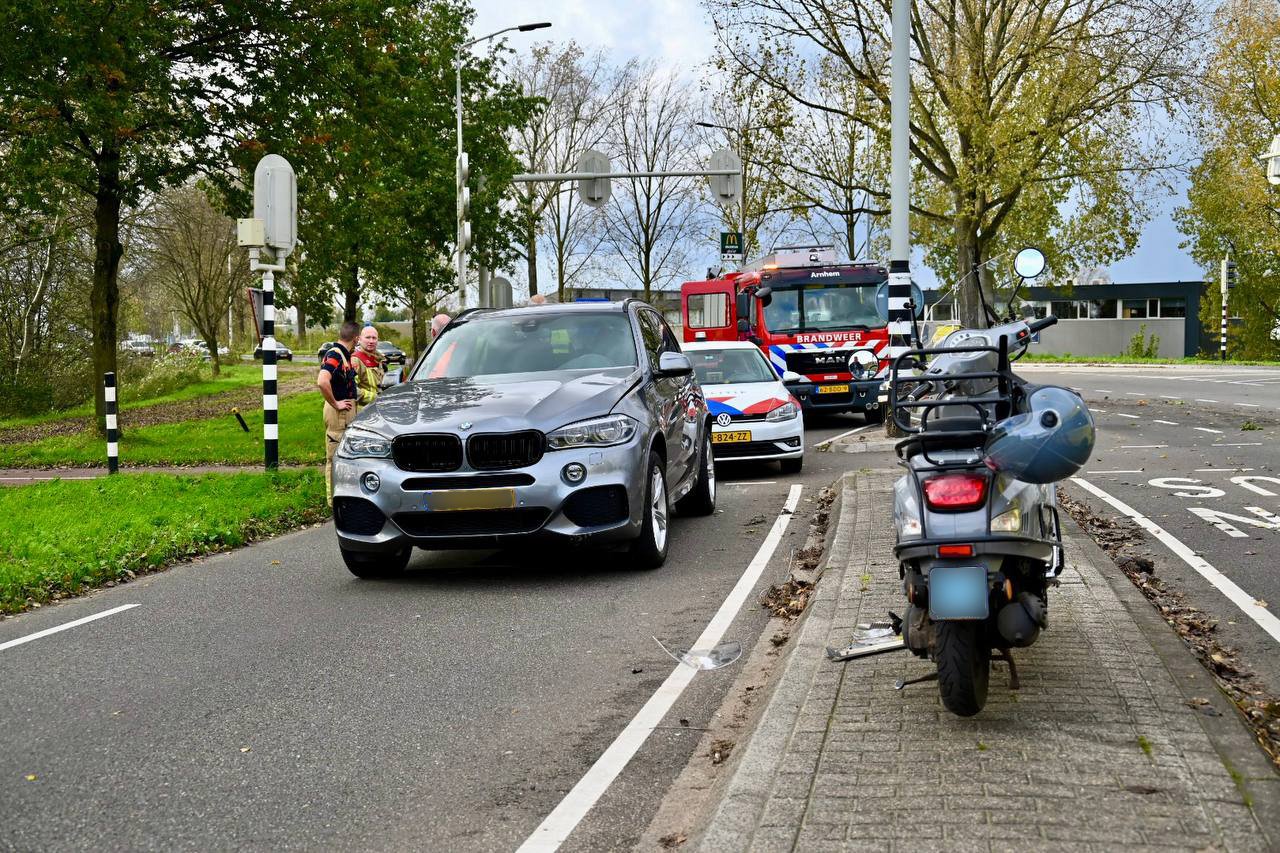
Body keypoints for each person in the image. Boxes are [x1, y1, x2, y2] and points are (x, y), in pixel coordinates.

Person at [317, 321, 360, 505]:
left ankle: (344, 497)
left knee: (346, 457)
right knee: (334, 458)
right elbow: (322, 381)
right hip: (338, 414)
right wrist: (336, 403)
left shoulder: (344, 355)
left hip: (345, 412)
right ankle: (332, 502)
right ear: (356, 338)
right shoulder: (335, 354)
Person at [352, 325, 384, 412]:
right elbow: (352, 389)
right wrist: (375, 397)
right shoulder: (355, 360)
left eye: (374, 338)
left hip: (380, 408)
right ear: (359, 339)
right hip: (364, 411)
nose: (371, 341)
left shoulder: (379, 359)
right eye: (368, 337)